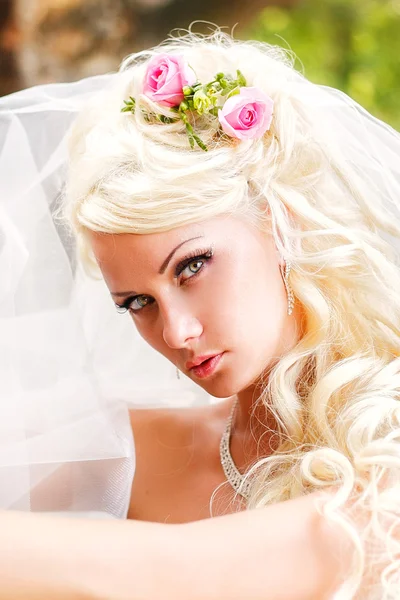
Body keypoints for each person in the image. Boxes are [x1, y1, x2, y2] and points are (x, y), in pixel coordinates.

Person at [1, 26, 400, 598]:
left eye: (191, 267)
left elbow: (167, 574)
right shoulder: (141, 446)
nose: (176, 332)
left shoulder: (386, 449)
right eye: (137, 303)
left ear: (281, 221)